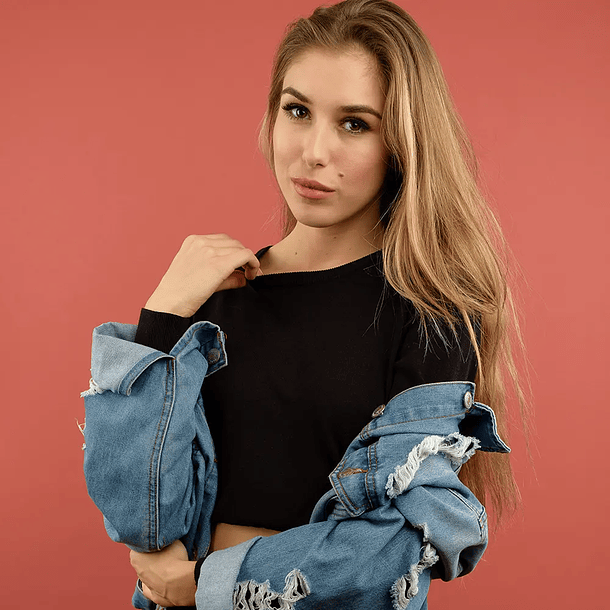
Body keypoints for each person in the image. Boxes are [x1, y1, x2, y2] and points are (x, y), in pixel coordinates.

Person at [81, 1, 526, 608]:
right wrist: (161, 319)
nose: (314, 151)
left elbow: (401, 539)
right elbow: (138, 516)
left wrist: (207, 583)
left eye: (355, 124)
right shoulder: (214, 298)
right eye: (297, 111)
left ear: (403, 143)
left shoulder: (430, 313)